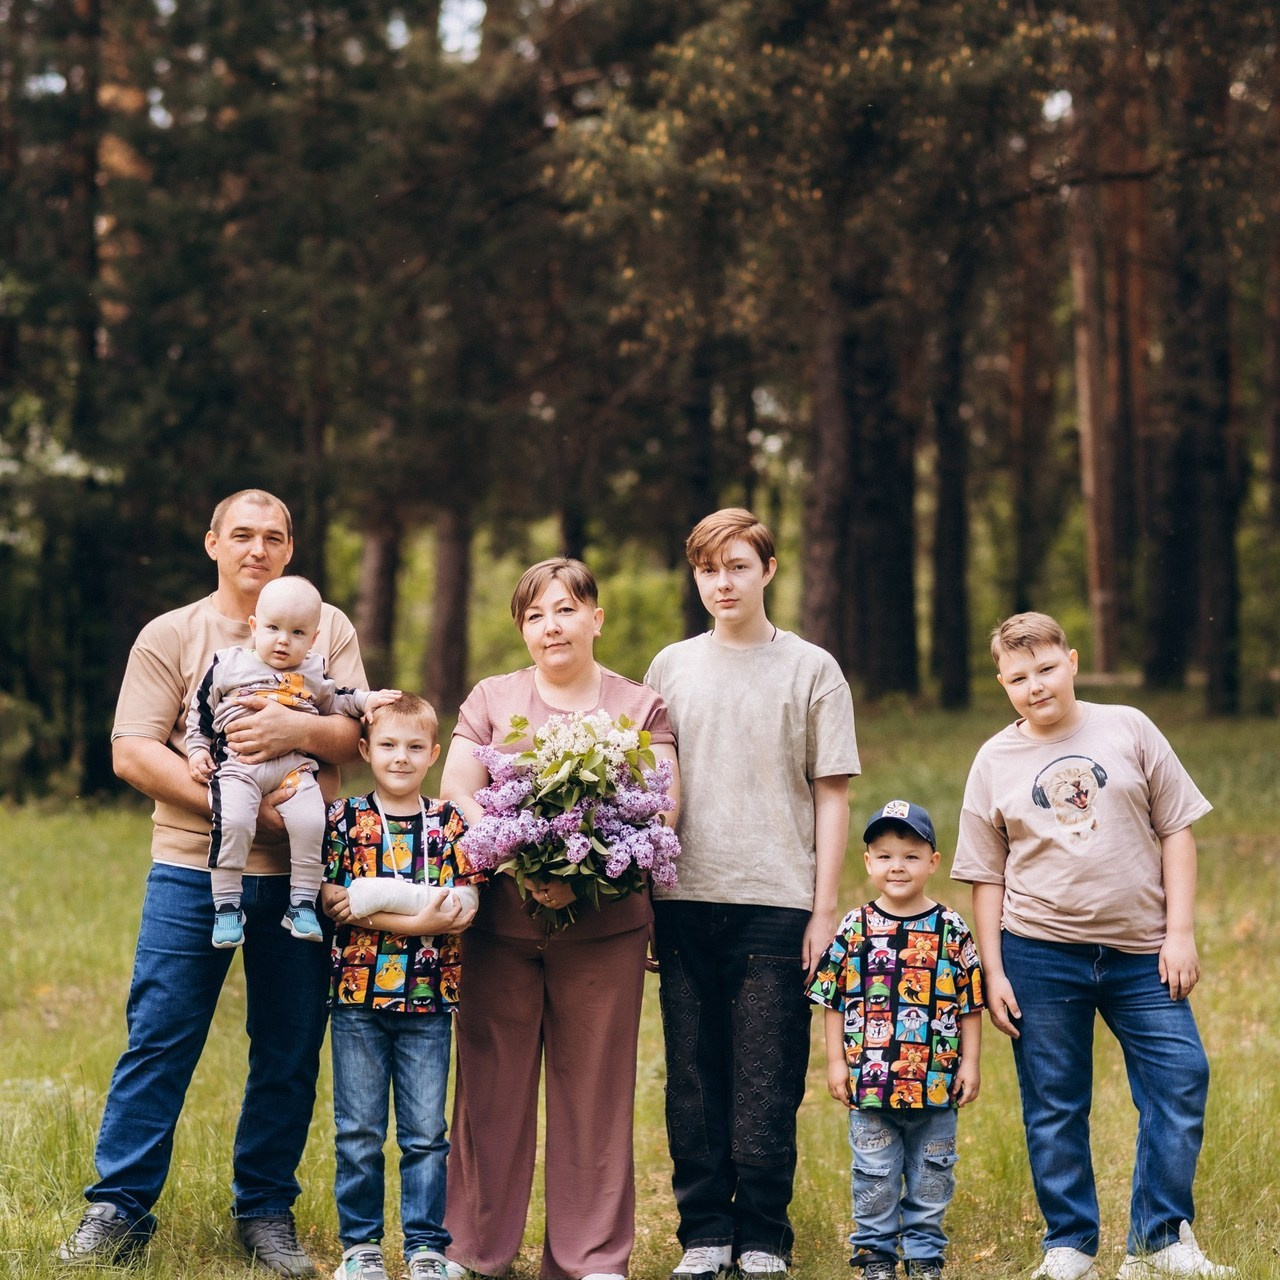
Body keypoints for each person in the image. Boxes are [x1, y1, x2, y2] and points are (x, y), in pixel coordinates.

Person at [55, 489, 366, 1278]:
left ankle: (264, 1211)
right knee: (160, 1037)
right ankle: (118, 1208)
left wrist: (296, 733)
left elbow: (353, 734)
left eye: (272, 537)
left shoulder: (326, 625)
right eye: (242, 536)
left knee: (289, 1049)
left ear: (290, 549)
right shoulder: (174, 635)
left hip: (301, 873)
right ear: (213, 544)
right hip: (191, 870)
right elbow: (133, 750)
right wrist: (241, 807)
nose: (256, 550)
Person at [952, 611, 1233, 1280]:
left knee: (1181, 1077)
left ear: (1072, 661)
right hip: (1039, 952)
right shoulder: (994, 760)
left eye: (1046, 668)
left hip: (1141, 951)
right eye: (1018, 677)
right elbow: (985, 876)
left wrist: (1180, 933)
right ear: (1002, 682)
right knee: (1054, 1100)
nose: (1036, 686)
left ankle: (1159, 1239)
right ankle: (1070, 1244)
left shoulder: (1128, 728)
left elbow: (1177, 832)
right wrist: (993, 971)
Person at [439, 557, 678, 1280]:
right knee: (489, 1088)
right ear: (522, 628)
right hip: (501, 930)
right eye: (536, 614)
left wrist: (581, 875)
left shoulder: (640, 706)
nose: (552, 625)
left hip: (604, 930)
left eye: (566, 609)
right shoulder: (492, 697)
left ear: (595, 618)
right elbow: (456, 788)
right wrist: (525, 860)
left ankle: (591, 1258)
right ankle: (475, 1252)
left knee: (595, 1093)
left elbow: (664, 805)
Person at [645, 508, 860, 1280]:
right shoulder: (669, 667)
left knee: (767, 1077)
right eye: (708, 569)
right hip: (682, 898)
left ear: (768, 570)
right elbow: (649, 794)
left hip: (777, 900)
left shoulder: (812, 669)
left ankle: (765, 1234)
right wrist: (646, 895)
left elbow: (831, 795)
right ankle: (704, 1231)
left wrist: (823, 908)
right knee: (694, 1076)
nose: (722, 582)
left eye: (738, 565)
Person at [321, 693, 483, 1280]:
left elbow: (463, 905)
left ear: (434, 754)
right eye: (388, 745)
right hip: (357, 1001)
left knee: (425, 1134)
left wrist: (380, 906)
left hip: (428, 1002)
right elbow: (335, 902)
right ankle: (359, 1247)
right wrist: (420, 920)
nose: (401, 757)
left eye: (415, 747)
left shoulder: (450, 823)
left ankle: (425, 1249)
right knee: (359, 1131)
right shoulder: (343, 819)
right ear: (365, 750)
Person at [808, 800, 983, 1280]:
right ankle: (875, 1254)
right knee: (875, 1173)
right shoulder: (854, 928)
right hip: (871, 1081)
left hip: (936, 1080)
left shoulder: (952, 929)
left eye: (910, 855)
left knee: (932, 1172)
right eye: (884, 855)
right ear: (867, 863)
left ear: (933, 861)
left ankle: (925, 1253)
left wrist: (970, 1064)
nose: (897, 866)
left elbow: (970, 1003)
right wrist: (836, 1063)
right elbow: (833, 1001)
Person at [186, 573, 397, 949]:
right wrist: (199, 749)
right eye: (273, 628)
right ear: (254, 627)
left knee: (313, 820)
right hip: (239, 765)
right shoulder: (228, 664)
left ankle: (300, 902)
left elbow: (340, 700)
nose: (283, 640)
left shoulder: (313, 671)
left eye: (298, 633)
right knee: (232, 820)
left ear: (313, 639)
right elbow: (200, 712)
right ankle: (226, 905)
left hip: (293, 770)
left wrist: (369, 701)